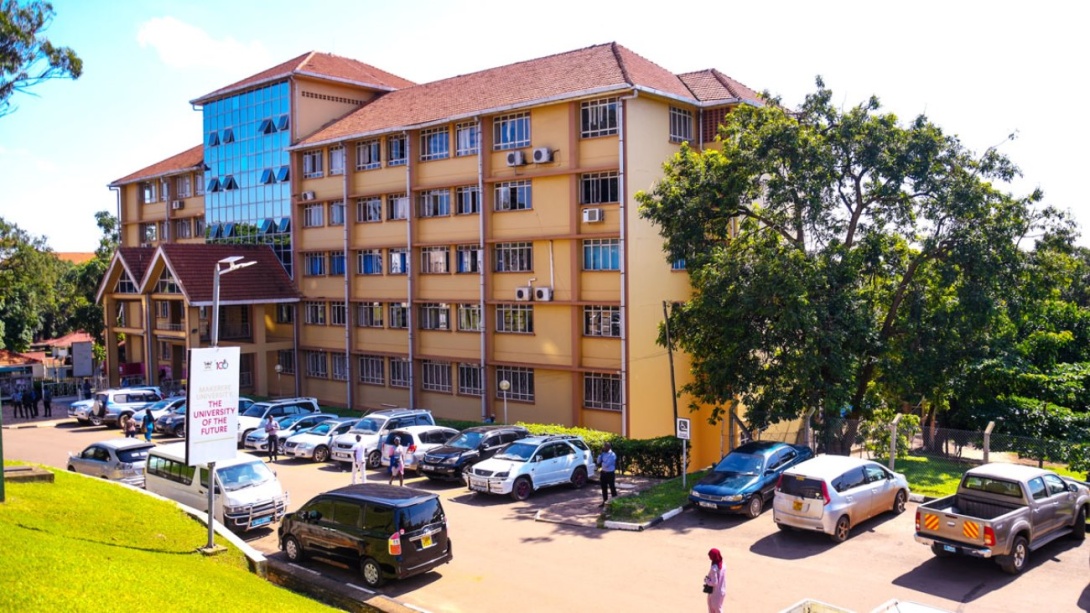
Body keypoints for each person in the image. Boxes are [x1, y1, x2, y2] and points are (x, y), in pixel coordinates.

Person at [703, 548, 727, 613]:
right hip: (722, 591)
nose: (709, 558)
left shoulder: (714, 568)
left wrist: (707, 580)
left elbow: (714, 582)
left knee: (713, 610)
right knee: (719, 609)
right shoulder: (723, 565)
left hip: (715, 593)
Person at [597, 441, 618, 507]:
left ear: (609, 447)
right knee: (604, 488)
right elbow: (598, 462)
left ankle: (615, 501)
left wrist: (602, 463)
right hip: (603, 473)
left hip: (610, 474)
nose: (604, 447)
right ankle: (605, 502)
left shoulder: (612, 454)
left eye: (605, 446)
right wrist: (600, 454)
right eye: (604, 446)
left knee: (612, 488)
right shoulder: (603, 454)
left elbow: (607, 465)